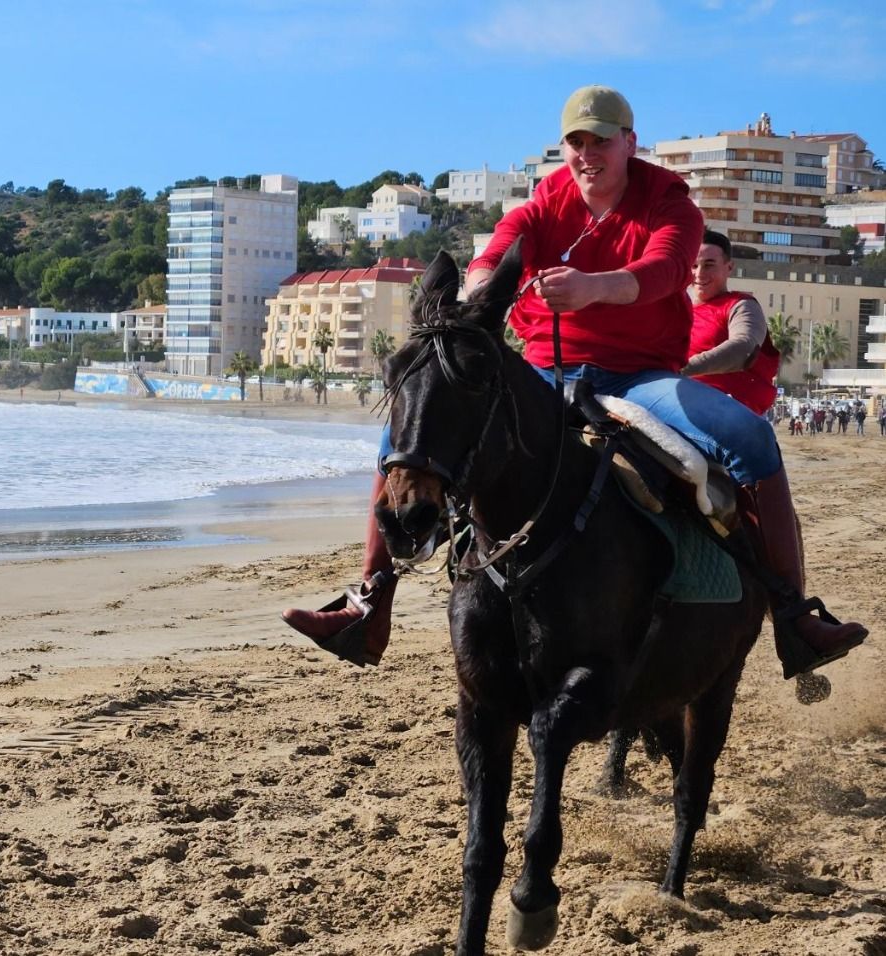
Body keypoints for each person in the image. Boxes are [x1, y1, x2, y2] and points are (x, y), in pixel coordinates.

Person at [283, 85, 866, 679]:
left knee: (752, 441)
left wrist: (593, 287)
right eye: (576, 142)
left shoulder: (672, 205)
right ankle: (370, 603)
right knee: (407, 438)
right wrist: (479, 288)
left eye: (601, 141)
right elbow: (500, 250)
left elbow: (664, 270)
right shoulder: (546, 201)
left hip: (641, 377)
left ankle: (795, 621)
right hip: (542, 371)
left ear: (629, 143)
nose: (588, 154)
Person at [683, 229, 780, 415]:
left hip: (729, 411)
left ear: (729, 267)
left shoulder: (741, 305)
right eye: (694, 265)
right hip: (677, 402)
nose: (699, 273)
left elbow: (744, 347)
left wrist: (680, 369)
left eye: (709, 265)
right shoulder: (677, 311)